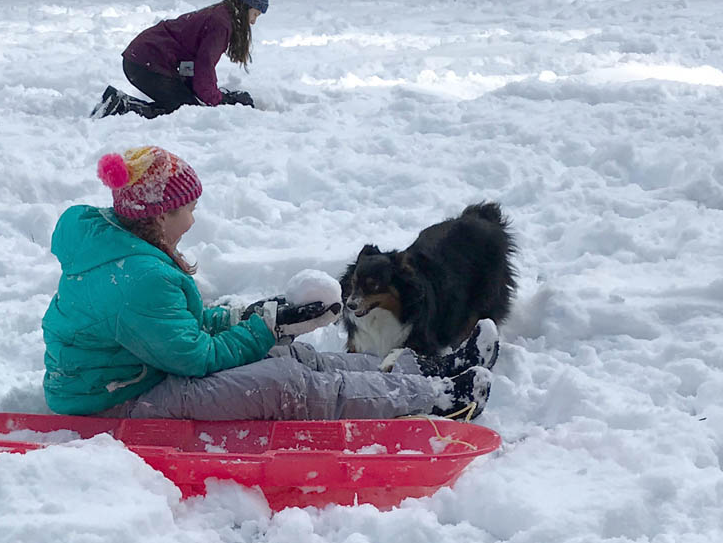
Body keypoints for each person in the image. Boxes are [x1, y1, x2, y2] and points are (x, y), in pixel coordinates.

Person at [41, 146, 499, 421]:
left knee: (289, 354)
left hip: (135, 374)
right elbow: (192, 357)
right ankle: (439, 398)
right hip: (117, 399)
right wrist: (259, 331)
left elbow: (181, 325)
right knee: (284, 381)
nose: (194, 218)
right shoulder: (138, 277)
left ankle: (423, 369)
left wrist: (257, 319)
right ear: (160, 216)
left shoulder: (124, 251)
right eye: (187, 209)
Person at [90, 0, 267, 119]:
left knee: (184, 106)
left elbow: (194, 63)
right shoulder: (221, 24)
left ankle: (119, 104)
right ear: (244, 6)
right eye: (255, 14)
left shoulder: (220, 15)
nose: (252, 22)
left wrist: (212, 96)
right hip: (147, 63)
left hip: (143, 59)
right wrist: (219, 100)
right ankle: (120, 107)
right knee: (185, 112)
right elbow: (204, 66)